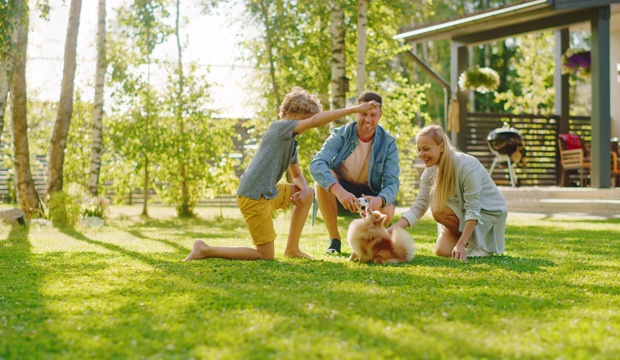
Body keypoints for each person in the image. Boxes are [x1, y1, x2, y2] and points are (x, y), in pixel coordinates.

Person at [184, 87, 381, 261]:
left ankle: (292, 249)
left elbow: (296, 176)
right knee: (265, 255)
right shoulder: (279, 128)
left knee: (309, 191)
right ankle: (205, 249)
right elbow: (316, 122)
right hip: (253, 196)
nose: (305, 125)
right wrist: (354, 110)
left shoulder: (291, 142)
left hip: (268, 192)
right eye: (304, 120)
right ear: (288, 113)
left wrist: (303, 191)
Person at [388, 124, 507, 261]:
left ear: (442, 146)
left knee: (438, 209)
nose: (421, 154)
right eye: (419, 150)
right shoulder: (430, 170)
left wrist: (460, 245)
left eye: (426, 149)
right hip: (464, 214)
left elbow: (473, 209)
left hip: (487, 213)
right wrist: (390, 232)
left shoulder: (467, 165)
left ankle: (479, 245)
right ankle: (468, 242)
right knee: (442, 250)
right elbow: (419, 206)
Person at [310, 90, 400, 254]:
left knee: (388, 210)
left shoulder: (389, 143)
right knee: (322, 180)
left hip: (369, 195)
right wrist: (339, 191)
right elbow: (317, 164)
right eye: (363, 113)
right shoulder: (341, 134)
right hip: (341, 192)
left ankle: (366, 244)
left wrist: (379, 200)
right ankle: (334, 241)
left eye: (373, 114)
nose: (367, 119)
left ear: (380, 115)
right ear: (356, 113)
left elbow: (392, 183)